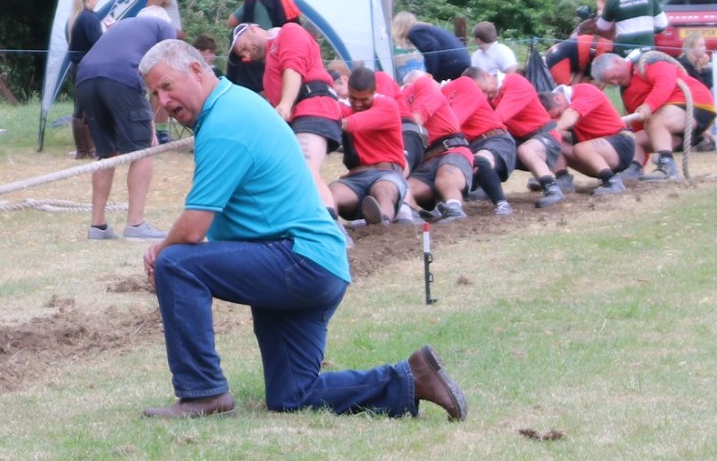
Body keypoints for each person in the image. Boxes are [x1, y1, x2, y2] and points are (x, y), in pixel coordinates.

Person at [134, 39, 468, 422]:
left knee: (176, 262)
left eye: (166, 86)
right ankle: (412, 379)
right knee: (293, 393)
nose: (163, 101)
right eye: (154, 93)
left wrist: (159, 250)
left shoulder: (225, 120)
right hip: (318, 264)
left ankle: (202, 393)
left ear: (196, 70)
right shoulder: (234, 104)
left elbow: (193, 229)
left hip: (298, 262)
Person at [73, 12, 175, 240]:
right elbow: (164, 73)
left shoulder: (124, 25)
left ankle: (97, 227)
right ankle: (136, 225)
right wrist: (151, 123)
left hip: (85, 76)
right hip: (120, 76)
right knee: (143, 150)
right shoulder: (164, 26)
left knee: (107, 152)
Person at [228, 23, 341, 213]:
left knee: (304, 169)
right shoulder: (268, 69)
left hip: (315, 107)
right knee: (283, 175)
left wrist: (286, 104)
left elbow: (293, 67)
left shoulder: (288, 32)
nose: (247, 56)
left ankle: (332, 228)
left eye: (244, 47)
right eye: (242, 55)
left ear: (253, 28)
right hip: (296, 119)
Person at [591, 52, 716, 181]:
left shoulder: (648, 63)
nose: (615, 82)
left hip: (696, 103)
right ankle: (635, 168)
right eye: (611, 82)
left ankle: (667, 166)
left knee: (654, 120)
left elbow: (665, 83)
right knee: (632, 138)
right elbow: (639, 126)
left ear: (618, 62)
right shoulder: (627, 93)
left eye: (613, 77)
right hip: (671, 127)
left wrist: (648, 106)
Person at [332, 67, 412, 227]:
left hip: (387, 173)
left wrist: (331, 121)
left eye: (364, 99)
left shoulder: (387, 105)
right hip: (355, 178)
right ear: (348, 90)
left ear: (375, 91)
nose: (359, 104)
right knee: (329, 194)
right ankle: (333, 228)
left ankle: (382, 221)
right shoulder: (342, 108)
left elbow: (354, 123)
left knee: (383, 190)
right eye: (354, 98)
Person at [478, 66, 565, 207]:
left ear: (488, 76)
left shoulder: (516, 83)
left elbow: (497, 118)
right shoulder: (491, 94)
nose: (483, 95)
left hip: (545, 136)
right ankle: (485, 186)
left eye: (482, 90)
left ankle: (552, 187)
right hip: (519, 139)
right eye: (479, 92)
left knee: (525, 150)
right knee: (489, 150)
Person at [401, 69, 473, 222]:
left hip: (452, 150)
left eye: (411, 89)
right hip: (426, 162)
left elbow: (416, 121)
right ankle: (421, 213)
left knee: (446, 176)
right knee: (402, 189)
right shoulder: (403, 101)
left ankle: (454, 209)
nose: (410, 94)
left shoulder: (427, 87)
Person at [443, 72, 516, 214]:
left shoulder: (464, 84)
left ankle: (502, 204)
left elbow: (453, 123)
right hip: (472, 144)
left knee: (479, 160)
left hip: (495, 138)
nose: (486, 96)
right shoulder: (442, 95)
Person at [549, 82, 634, 193]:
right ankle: (562, 178)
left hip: (621, 144)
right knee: (551, 141)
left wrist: (552, 129)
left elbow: (571, 116)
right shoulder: (561, 106)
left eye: (558, 113)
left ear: (557, 99)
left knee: (579, 148)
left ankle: (612, 182)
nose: (558, 116)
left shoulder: (585, 90)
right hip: (594, 154)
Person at [66, 0, 105, 157]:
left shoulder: (73, 18)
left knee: (80, 106)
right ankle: (87, 149)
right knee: (88, 108)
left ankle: (83, 149)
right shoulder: (89, 19)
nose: (98, 0)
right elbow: (98, 45)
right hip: (88, 67)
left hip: (77, 67)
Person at [596, 0, 667, 52]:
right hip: (647, 50)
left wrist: (601, 10)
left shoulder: (613, 0)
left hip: (625, 52)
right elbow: (662, 24)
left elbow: (603, 26)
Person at [392, 12, 471, 82]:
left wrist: (430, 74)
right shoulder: (424, 29)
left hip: (453, 64)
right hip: (459, 61)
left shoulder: (414, 32)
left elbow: (432, 49)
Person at [544, 31, 617, 87]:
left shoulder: (606, 46)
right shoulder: (605, 49)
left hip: (562, 53)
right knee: (566, 94)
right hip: (559, 58)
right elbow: (598, 83)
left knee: (575, 91)